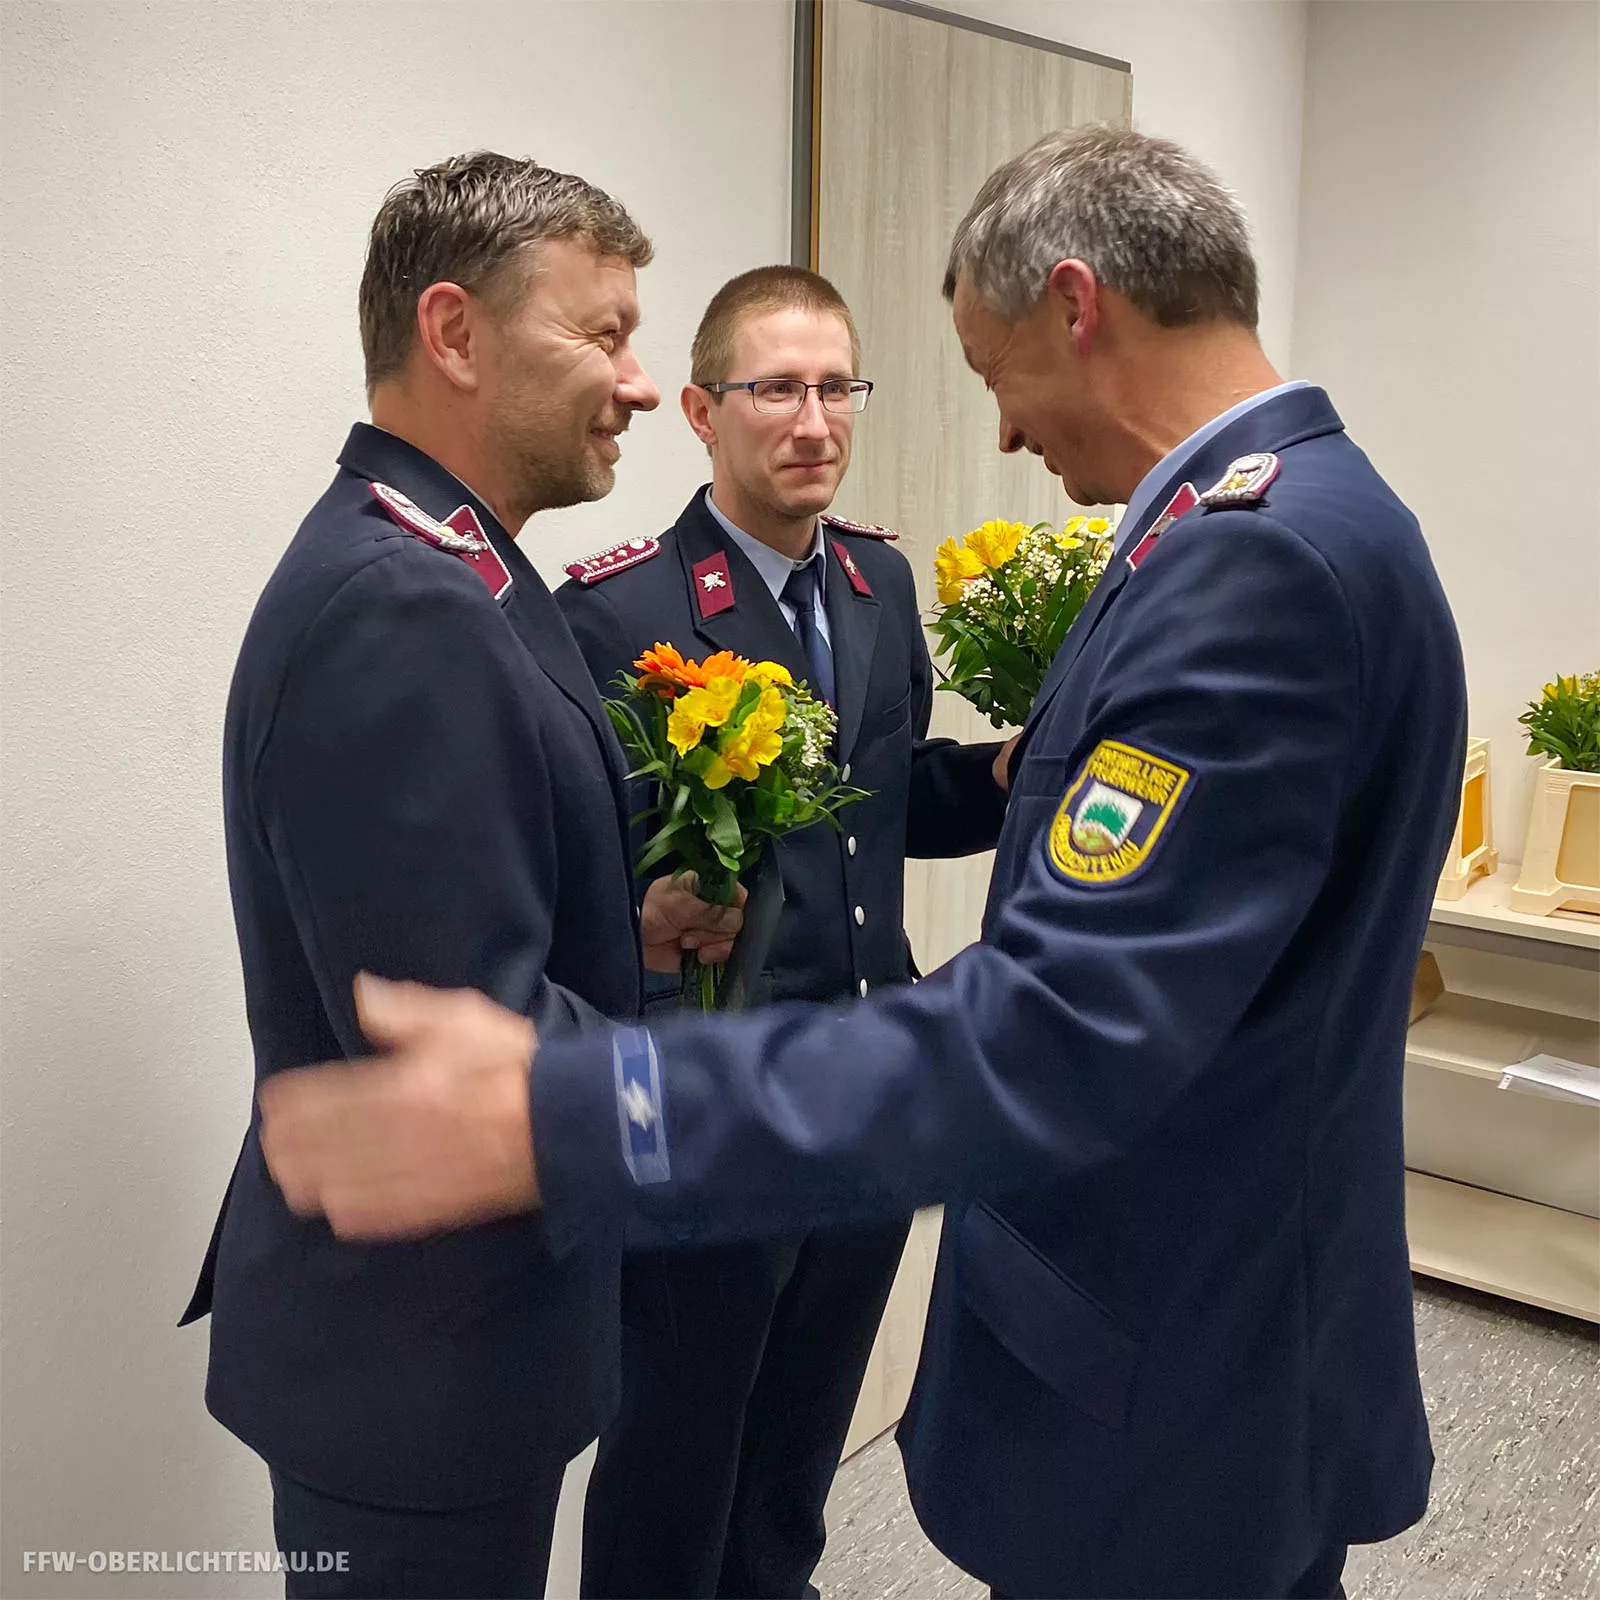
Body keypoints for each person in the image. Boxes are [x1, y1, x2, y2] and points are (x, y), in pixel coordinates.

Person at [257, 127, 1467, 1600]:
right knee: (680, 1468)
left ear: (1075, 308)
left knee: (786, 1472)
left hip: (1174, 1319)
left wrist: (579, 1104)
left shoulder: (1229, 560)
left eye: (985, 374)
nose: (1002, 433)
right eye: (774, 386)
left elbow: (1034, 988)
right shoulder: (1289, 525)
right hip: (898, 1191)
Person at [178, 151, 741, 1600]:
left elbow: (448, 933)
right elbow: (457, 1043)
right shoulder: (406, 603)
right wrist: (744, 1100)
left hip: (454, 1333)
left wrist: (626, 934)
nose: (637, 385)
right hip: (421, 1365)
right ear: (454, 332)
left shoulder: (460, 567)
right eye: (603, 334)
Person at [556, 264, 1011, 1599]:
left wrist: (1007, 773)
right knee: (677, 1443)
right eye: (776, 391)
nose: (814, 422)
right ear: (703, 412)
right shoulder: (620, 613)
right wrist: (637, 927)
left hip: (870, 1080)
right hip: (716, 1095)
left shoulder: (877, 582)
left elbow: (884, 799)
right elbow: (571, 872)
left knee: (803, 1430)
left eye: (835, 388)